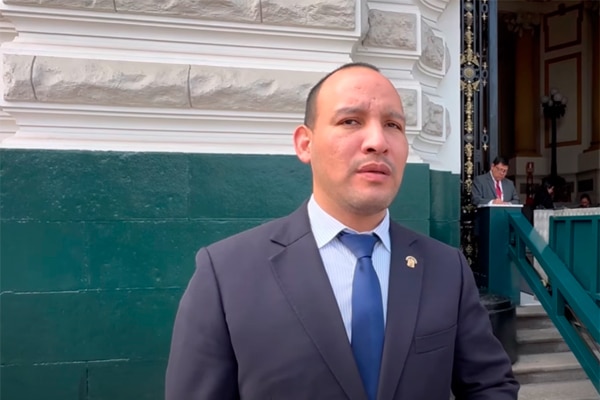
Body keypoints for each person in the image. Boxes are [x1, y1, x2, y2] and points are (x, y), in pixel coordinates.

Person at [165, 63, 519, 400]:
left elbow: (490, 385)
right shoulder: (226, 273)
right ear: (305, 144)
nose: (377, 141)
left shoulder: (446, 268)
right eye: (351, 121)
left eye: (393, 125)